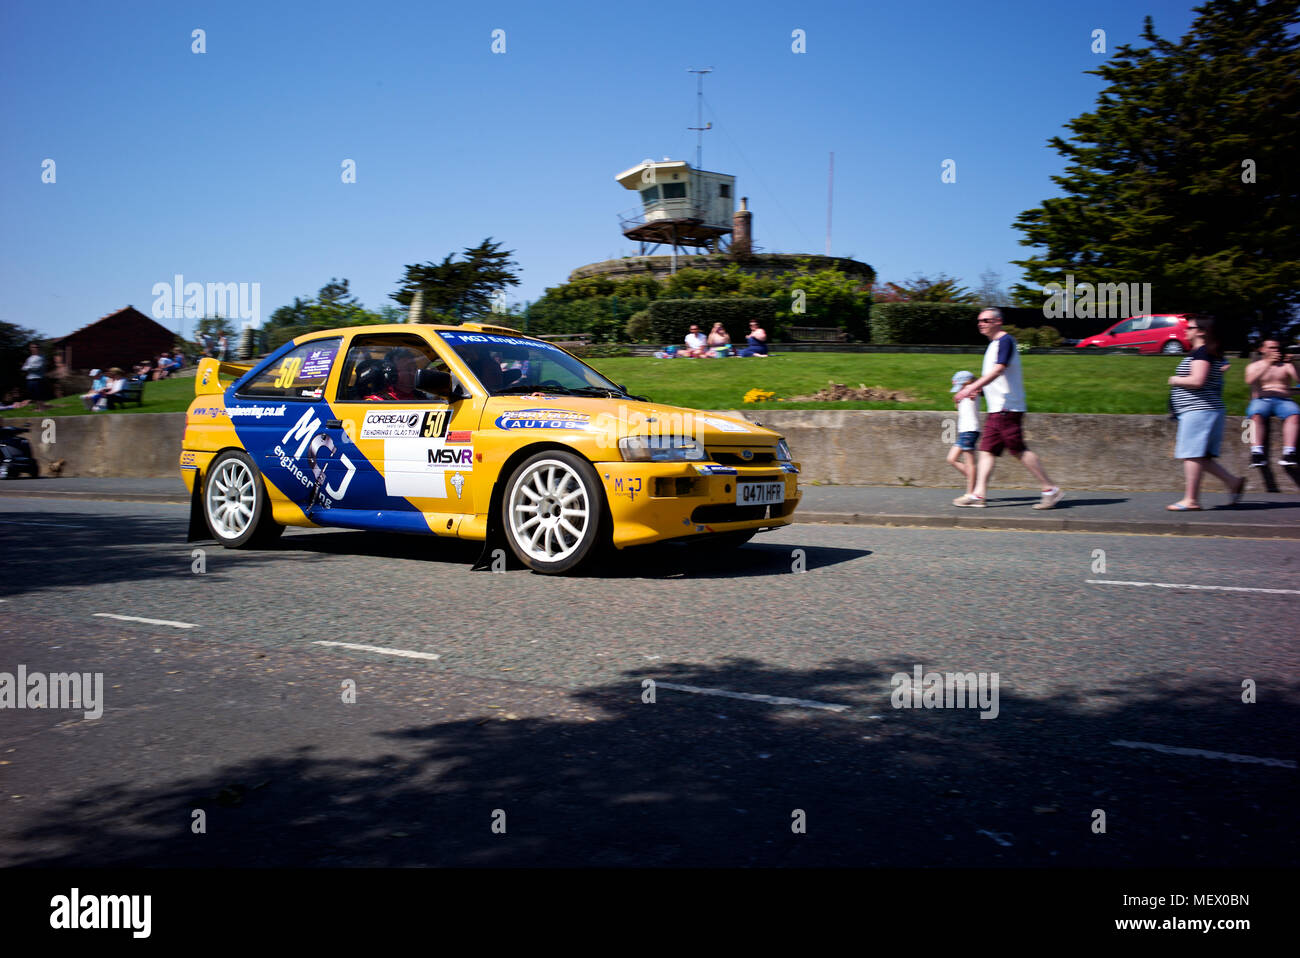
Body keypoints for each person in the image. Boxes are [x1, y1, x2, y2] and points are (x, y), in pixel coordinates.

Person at [953, 308, 1062, 508]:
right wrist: (980, 392)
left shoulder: (1005, 341)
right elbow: (998, 380)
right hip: (997, 409)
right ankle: (978, 495)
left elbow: (999, 370)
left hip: (1008, 408)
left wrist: (971, 388)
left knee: (1018, 450)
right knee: (987, 450)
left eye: (985, 320)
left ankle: (1050, 490)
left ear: (998, 322)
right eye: (979, 321)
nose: (981, 324)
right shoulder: (993, 345)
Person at [1166, 315, 1245, 509]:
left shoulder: (1202, 353)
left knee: (1192, 455)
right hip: (1207, 410)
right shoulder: (1209, 352)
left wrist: (1175, 379)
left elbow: (1197, 380)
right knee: (1200, 457)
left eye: (1190, 327)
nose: (1186, 330)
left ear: (1201, 331)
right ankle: (1232, 482)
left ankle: (1191, 500)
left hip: (1199, 410)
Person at [1244, 338, 1298, 467]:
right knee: (1254, 415)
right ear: (1262, 349)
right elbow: (1250, 380)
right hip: (1262, 399)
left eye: (1277, 348)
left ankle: (1289, 453)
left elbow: (1299, 379)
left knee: (1295, 414)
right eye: (1271, 348)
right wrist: (1267, 364)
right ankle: (1256, 453)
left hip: (1284, 400)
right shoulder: (1254, 366)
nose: (1275, 350)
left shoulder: (1286, 365)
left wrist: (1294, 363)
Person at [946, 370, 983, 504]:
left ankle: (971, 492)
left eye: (961, 385)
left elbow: (977, 389)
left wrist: (968, 390)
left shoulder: (973, 390)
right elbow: (958, 404)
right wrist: (958, 398)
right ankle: (978, 482)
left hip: (970, 430)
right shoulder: (965, 392)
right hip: (964, 431)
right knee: (951, 459)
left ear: (968, 382)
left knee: (970, 463)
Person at [21, 343, 46, 408]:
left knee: (39, 394)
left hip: (38, 378)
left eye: (36, 347)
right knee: (33, 395)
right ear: (30, 349)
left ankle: (41, 408)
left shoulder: (41, 357)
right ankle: (37, 407)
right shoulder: (29, 358)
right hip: (29, 379)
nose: (35, 348)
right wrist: (30, 367)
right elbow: (23, 367)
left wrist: (28, 367)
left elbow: (38, 367)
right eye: (33, 347)